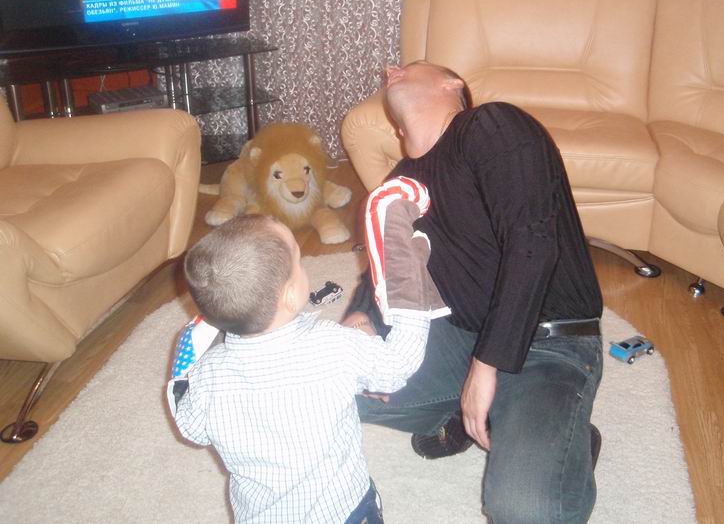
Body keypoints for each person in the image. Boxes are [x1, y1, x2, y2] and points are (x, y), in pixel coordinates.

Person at [342, 61, 605, 523]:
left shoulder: (491, 127)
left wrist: (487, 365)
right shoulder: (398, 183)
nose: (389, 68)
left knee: (523, 509)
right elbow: (384, 270)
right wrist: (359, 320)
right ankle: (465, 417)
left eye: (409, 68)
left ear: (452, 85)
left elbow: (532, 244)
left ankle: (562, 442)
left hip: (548, 342)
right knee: (324, 383)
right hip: (456, 332)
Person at [172, 202, 442, 523]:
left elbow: (192, 429)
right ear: (289, 296)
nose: (303, 267)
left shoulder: (207, 375)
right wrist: (411, 302)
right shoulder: (331, 344)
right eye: (299, 261)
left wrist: (183, 369)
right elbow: (396, 367)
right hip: (342, 511)